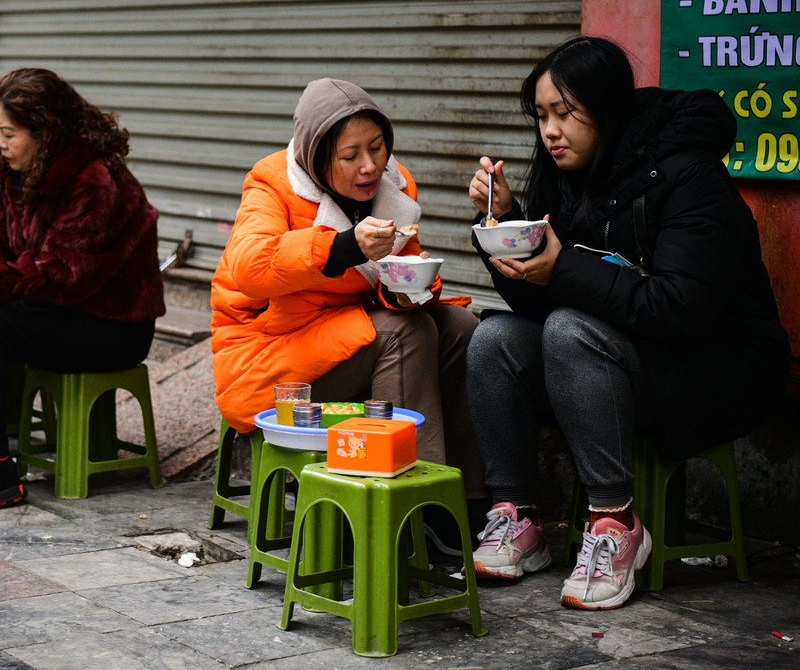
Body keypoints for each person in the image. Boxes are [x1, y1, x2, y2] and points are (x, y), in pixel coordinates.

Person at [465, 36, 789, 611]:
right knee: (494, 339)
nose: (550, 131)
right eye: (541, 115)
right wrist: (506, 222)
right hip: (615, 357)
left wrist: (562, 268)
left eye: (565, 113)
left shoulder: (689, 178)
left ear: (608, 110)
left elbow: (679, 310)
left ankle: (615, 523)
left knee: (569, 330)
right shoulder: (566, 177)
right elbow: (540, 307)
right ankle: (518, 516)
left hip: (715, 365)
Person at [211, 78, 487, 546]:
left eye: (377, 148)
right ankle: (405, 509)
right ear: (317, 157)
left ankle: (465, 500)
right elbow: (252, 267)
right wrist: (343, 247)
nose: (370, 166)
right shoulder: (271, 183)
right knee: (405, 333)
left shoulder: (391, 187)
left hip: (349, 341)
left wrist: (407, 290)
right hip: (271, 364)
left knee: (461, 327)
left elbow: (397, 273)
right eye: (350, 156)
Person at [0, 67, 165, 515]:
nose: (0, 144)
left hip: (113, 325)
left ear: (44, 131)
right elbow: (4, 244)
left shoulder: (95, 181)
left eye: (9, 134)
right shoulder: (23, 169)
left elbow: (64, 275)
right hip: (64, 311)